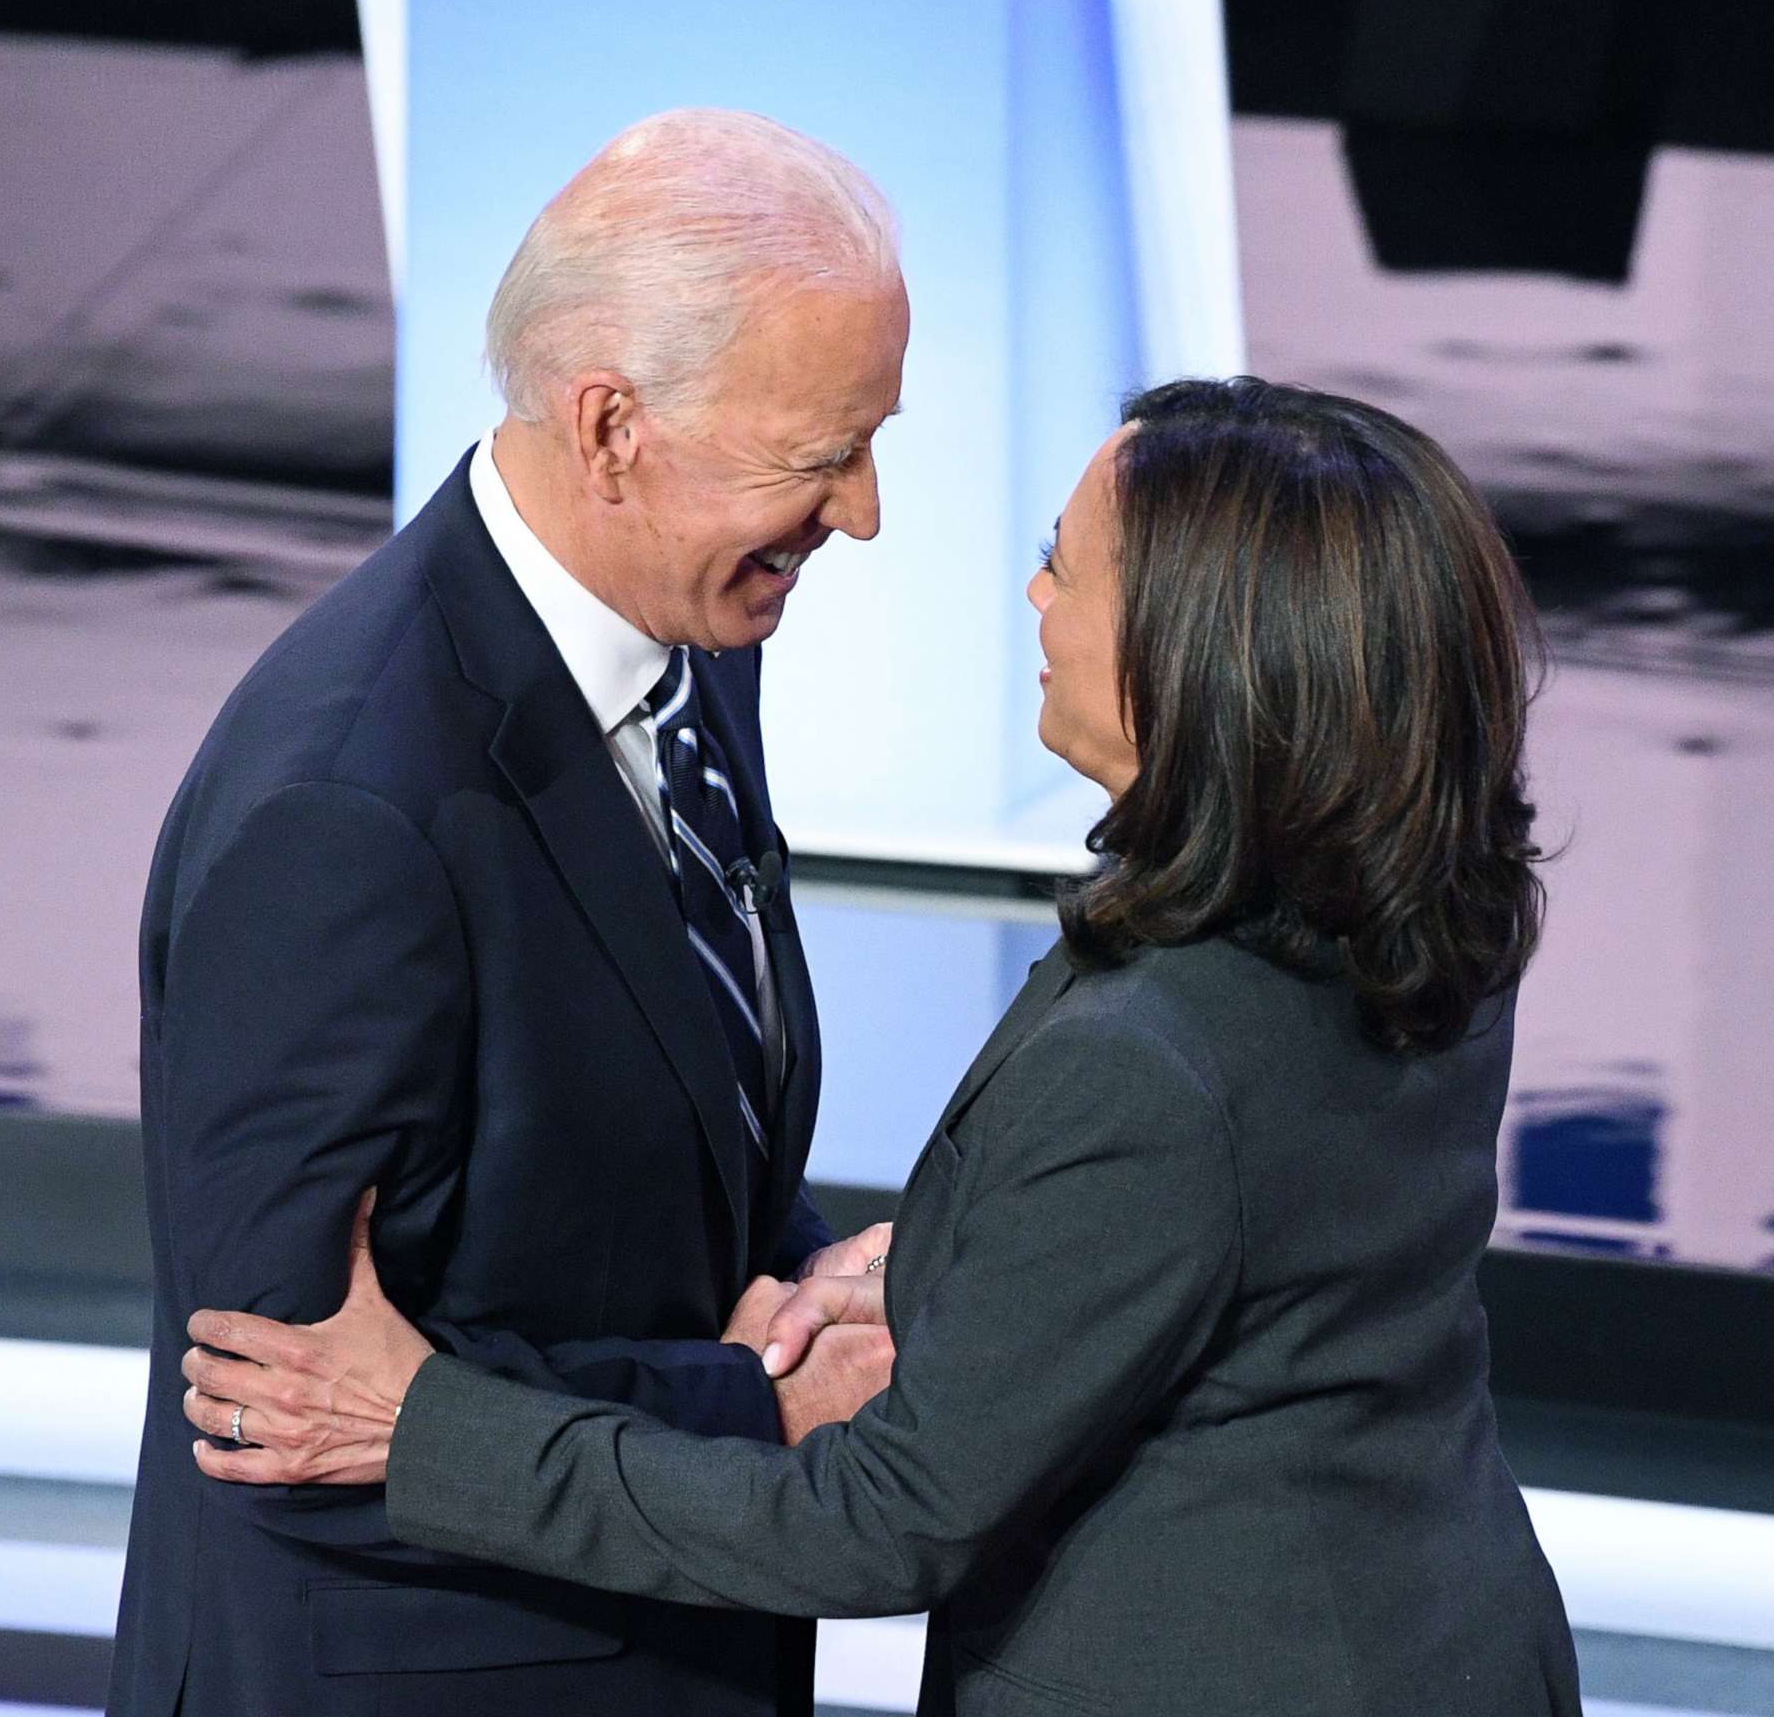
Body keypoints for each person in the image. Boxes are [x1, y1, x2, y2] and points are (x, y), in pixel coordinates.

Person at [181, 378, 1584, 1714]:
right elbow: (1266, 1234)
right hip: (1440, 1637)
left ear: (1202, 654)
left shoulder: (1148, 1065)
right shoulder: (1411, 900)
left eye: (1068, 569)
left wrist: (420, 1424)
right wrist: (964, 1259)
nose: (1034, 595)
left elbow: (881, 1522)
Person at [108, 109, 909, 1717]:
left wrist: (815, 1287)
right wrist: (758, 1406)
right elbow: (277, 1402)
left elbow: (673, 1155)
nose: (866, 511)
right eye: (820, 456)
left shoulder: (689, 638)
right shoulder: (347, 812)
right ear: (610, 424)